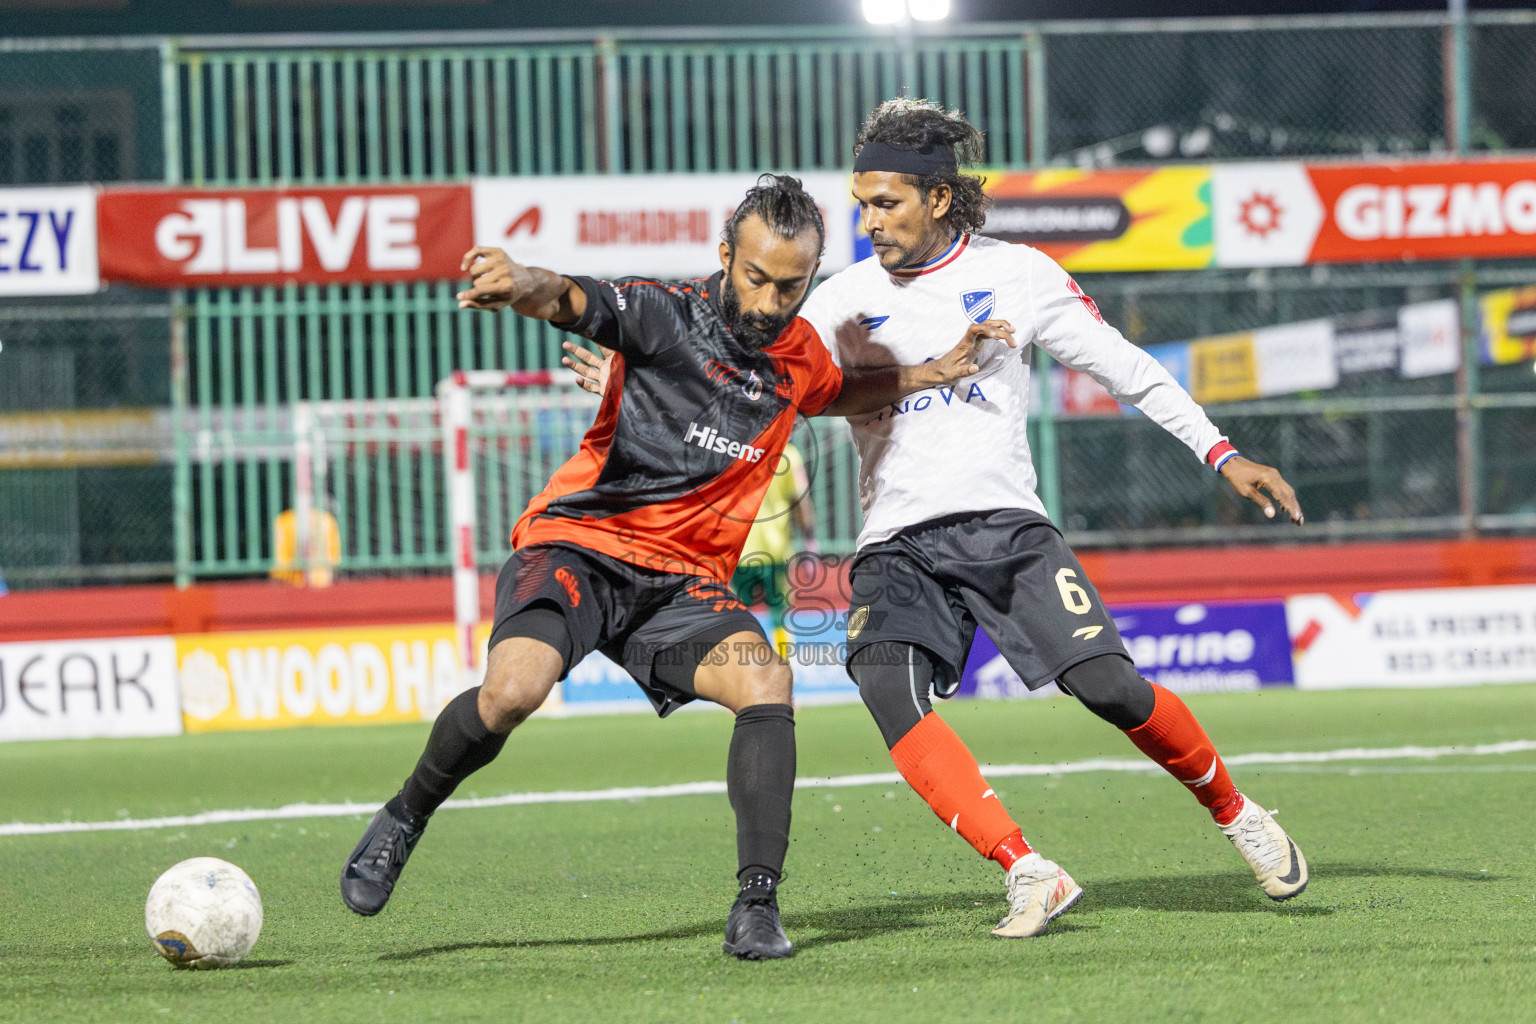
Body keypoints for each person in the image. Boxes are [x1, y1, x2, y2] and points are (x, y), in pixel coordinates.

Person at [568, 103, 1311, 941]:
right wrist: (640, 389)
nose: (868, 220)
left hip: (1005, 528)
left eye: (886, 203)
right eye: (861, 202)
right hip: (894, 543)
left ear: (939, 200)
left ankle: (1237, 812)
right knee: (884, 684)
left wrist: (1222, 453)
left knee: (1108, 686)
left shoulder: (1022, 274)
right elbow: (749, 381)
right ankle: (1028, 869)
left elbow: (1129, 370)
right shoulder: (838, 301)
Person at [338, 174, 1010, 960]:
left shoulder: (797, 356)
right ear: (726, 256)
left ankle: (756, 907)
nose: (769, 302)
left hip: (682, 589)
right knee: (512, 692)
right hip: (580, 548)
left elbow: (835, 391)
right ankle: (405, 815)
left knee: (766, 681)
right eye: (755, 278)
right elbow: (571, 298)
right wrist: (520, 282)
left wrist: (933, 370)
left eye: (790, 287)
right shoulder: (663, 313)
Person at [731, 440, 817, 653]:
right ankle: (784, 665)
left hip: (739, 549)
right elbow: (800, 500)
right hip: (775, 550)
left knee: (734, 613)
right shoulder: (788, 453)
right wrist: (810, 541)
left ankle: (739, 669)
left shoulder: (736, 449)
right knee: (779, 613)